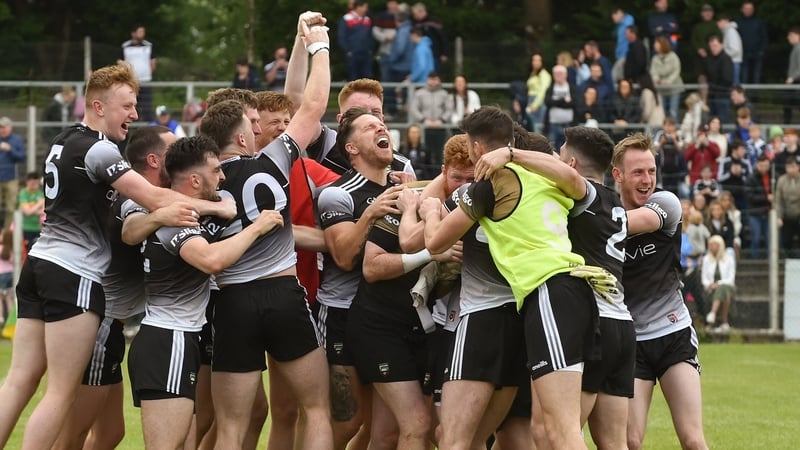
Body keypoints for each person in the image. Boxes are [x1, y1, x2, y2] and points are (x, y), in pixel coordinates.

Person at [0, 63, 234, 450]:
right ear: (97, 105)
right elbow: (153, 199)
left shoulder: (62, 139)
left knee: (20, 379)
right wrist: (219, 209)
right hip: (73, 276)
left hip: (40, 264)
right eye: (127, 105)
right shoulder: (99, 148)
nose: (134, 114)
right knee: (59, 394)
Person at [423, 106, 600, 449]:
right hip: (569, 292)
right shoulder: (547, 175)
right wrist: (516, 153)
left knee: (560, 432)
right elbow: (577, 182)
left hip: (548, 290)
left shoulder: (490, 184)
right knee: (551, 430)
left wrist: (430, 211)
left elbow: (434, 242)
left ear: (476, 148)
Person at [203, 16, 334, 449]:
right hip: (282, 294)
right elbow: (313, 106)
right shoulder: (272, 159)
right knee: (316, 409)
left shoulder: (200, 179)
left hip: (232, 301)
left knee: (233, 427)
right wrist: (319, 47)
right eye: (251, 124)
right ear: (241, 136)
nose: (259, 128)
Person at [126, 135, 281, 449]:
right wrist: (257, 227)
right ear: (195, 179)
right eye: (215, 170)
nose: (222, 176)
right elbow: (211, 260)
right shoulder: (176, 219)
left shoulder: (177, 211)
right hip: (169, 340)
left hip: (178, 339)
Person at [611, 133, 708, 450]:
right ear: (618, 175)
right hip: (631, 341)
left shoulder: (664, 204)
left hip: (674, 334)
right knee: (630, 440)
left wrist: (591, 224)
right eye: (638, 172)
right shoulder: (606, 213)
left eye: (651, 171)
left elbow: (632, 222)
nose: (647, 179)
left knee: (693, 439)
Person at [412, 71, 452, 160]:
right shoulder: (420, 93)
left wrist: (442, 120)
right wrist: (424, 120)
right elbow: (414, 109)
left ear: (439, 80)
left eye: (435, 79)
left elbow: (449, 109)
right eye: (431, 79)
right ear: (427, 80)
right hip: (424, 128)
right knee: (425, 151)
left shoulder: (444, 94)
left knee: (440, 152)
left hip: (440, 128)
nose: (433, 82)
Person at [121, 24, 156, 122]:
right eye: (140, 32)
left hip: (145, 81)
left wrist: (147, 74)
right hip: (131, 82)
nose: (142, 34)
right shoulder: (125, 46)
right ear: (133, 33)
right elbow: (120, 63)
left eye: (143, 32)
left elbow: (153, 62)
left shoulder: (148, 45)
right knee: (131, 106)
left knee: (147, 108)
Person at [701, 235, 736, 331]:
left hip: (728, 286)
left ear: (720, 246)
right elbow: (704, 279)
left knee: (724, 288)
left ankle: (712, 314)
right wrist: (710, 285)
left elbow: (730, 279)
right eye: (710, 245)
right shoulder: (706, 259)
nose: (711, 247)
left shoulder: (729, 259)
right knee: (726, 294)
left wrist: (718, 284)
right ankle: (724, 322)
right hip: (711, 289)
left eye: (713, 245)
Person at [544, 65, 577, 150]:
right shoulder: (550, 88)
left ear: (566, 74)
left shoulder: (572, 88)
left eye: (560, 73)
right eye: (556, 74)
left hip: (568, 124)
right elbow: (548, 102)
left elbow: (574, 103)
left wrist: (556, 102)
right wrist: (563, 100)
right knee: (551, 148)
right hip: (553, 123)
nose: (558, 76)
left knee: (568, 148)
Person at [0, 117, 25, 229]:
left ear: (10, 128)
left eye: (4, 127)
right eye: (0, 127)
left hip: (11, 178)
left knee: (11, 208)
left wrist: (10, 150)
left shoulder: (16, 139)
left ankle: (7, 233)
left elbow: (22, 157)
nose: (2, 130)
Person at [650, 36, 683, 121]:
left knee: (673, 112)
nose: (655, 46)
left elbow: (676, 71)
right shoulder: (655, 58)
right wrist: (656, 79)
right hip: (661, 89)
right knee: (662, 112)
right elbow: (653, 71)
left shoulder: (673, 57)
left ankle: (674, 131)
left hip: (674, 88)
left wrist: (668, 81)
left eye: (657, 44)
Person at [339, 0, 374, 81]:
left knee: (367, 78)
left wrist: (370, 49)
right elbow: (342, 37)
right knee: (353, 78)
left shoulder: (367, 19)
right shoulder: (347, 18)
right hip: (353, 54)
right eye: (365, 7)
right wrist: (347, 50)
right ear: (358, 7)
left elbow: (370, 36)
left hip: (366, 54)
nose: (366, 9)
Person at [745, 154, 772, 259]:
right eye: (761, 165)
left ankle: (771, 259)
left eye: (766, 165)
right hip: (755, 213)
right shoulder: (751, 178)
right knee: (755, 237)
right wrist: (766, 197)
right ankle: (754, 259)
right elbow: (750, 197)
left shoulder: (773, 176)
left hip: (769, 212)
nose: (764, 168)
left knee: (769, 238)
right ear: (757, 165)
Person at [654, 116, 688, 198]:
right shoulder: (660, 134)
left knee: (680, 191)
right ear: (663, 126)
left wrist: (674, 140)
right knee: (662, 191)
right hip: (663, 169)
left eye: (671, 125)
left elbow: (680, 149)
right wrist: (662, 142)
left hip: (676, 169)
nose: (669, 128)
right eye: (667, 125)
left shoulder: (678, 135)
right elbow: (655, 149)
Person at [737, 1, 768, 84]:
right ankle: (744, 96)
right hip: (743, 54)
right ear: (742, 9)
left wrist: (761, 51)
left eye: (750, 8)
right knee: (744, 76)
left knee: (756, 77)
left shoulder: (759, 22)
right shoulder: (738, 23)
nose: (748, 10)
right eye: (746, 8)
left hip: (757, 54)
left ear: (753, 10)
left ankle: (755, 96)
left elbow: (764, 37)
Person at [705, 35, 734, 124]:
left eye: (715, 45)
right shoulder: (710, 59)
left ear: (721, 45)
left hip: (722, 95)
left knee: (723, 121)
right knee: (712, 122)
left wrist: (715, 85)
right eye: (711, 46)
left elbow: (727, 78)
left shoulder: (726, 59)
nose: (713, 48)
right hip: (712, 95)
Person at [411, 2, 447, 71]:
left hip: (435, 55)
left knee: (433, 74)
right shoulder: (417, 23)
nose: (414, 16)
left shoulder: (434, 21)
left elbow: (442, 37)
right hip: (423, 54)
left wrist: (444, 53)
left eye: (415, 14)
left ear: (421, 12)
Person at [775, 157, 800, 257]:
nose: (791, 169)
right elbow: (778, 200)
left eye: (793, 167)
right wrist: (779, 216)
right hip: (787, 215)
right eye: (788, 167)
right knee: (786, 241)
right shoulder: (781, 180)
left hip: (799, 214)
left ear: (798, 167)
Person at [690, 4, 720, 82]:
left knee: (715, 77)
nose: (707, 14)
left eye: (709, 11)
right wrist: (699, 49)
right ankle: (703, 94)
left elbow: (720, 40)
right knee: (702, 78)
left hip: (713, 57)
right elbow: (694, 40)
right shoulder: (697, 27)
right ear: (701, 14)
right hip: (700, 58)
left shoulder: (716, 25)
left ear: (712, 13)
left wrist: (713, 49)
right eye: (705, 12)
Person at [372, 0, 399, 82]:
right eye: (391, 3)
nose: (393, 5)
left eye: (395, 3)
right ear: (388, 5)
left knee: (398, 78)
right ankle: (387, 95)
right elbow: (375, 31)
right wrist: (385, 37)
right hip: (386, 52)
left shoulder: (402, 15)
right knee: (386, 77)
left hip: (400, 53)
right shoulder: (381, 16)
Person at [18, 172, 44, 252]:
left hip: (38, 228)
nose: (34, 185)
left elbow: (44, 211)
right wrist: (39, 204)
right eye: (32, 183)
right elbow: (27, 212)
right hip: (26, 228)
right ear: (27, 182)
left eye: (36, 183)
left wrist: (32, 209)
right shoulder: (23, 193)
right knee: (26, 251)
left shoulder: (40, 193)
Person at [526, 52, 551, 133]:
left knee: (538, 127)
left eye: (538, 60)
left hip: (539, 102)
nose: (536, 62)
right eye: (534, 60)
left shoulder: (544, 75)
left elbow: (543, 91)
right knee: (532, 127)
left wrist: (535, 105)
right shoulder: (533, 74)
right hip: (531, 100)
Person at [717, 14, 743, 86]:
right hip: (733, 62)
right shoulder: (728, 31)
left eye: (720, 21)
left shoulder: (730, 32)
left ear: (726, 21)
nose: (718, 23)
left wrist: (724, 54)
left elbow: (735, 49)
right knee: (734, 86)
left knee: (734, 87)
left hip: (733, 63)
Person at [611, 7, 635, 82]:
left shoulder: (628, 21)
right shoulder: (620, 26)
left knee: (614, 75)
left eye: (614, 17)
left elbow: (629, 39)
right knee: (620, 77)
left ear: (620, 13)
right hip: (620, 55)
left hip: (624, 55)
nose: (613, 20)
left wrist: (626, 56)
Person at [784, 26, 800, 125]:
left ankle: (787, 126)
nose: (788, 38)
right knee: (788, 105)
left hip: (795, 82)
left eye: (791, 35)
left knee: (788, 105)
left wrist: (792, 77)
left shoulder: (798, 49)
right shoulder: (796, 48)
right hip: (794, 81)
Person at [0, 228, 13, 324]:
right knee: (9, 298)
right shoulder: (13, 250)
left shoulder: (0, 248)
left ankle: (1, 318)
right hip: (11, 275)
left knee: (0, 299)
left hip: (1, 275)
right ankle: (11, 320)